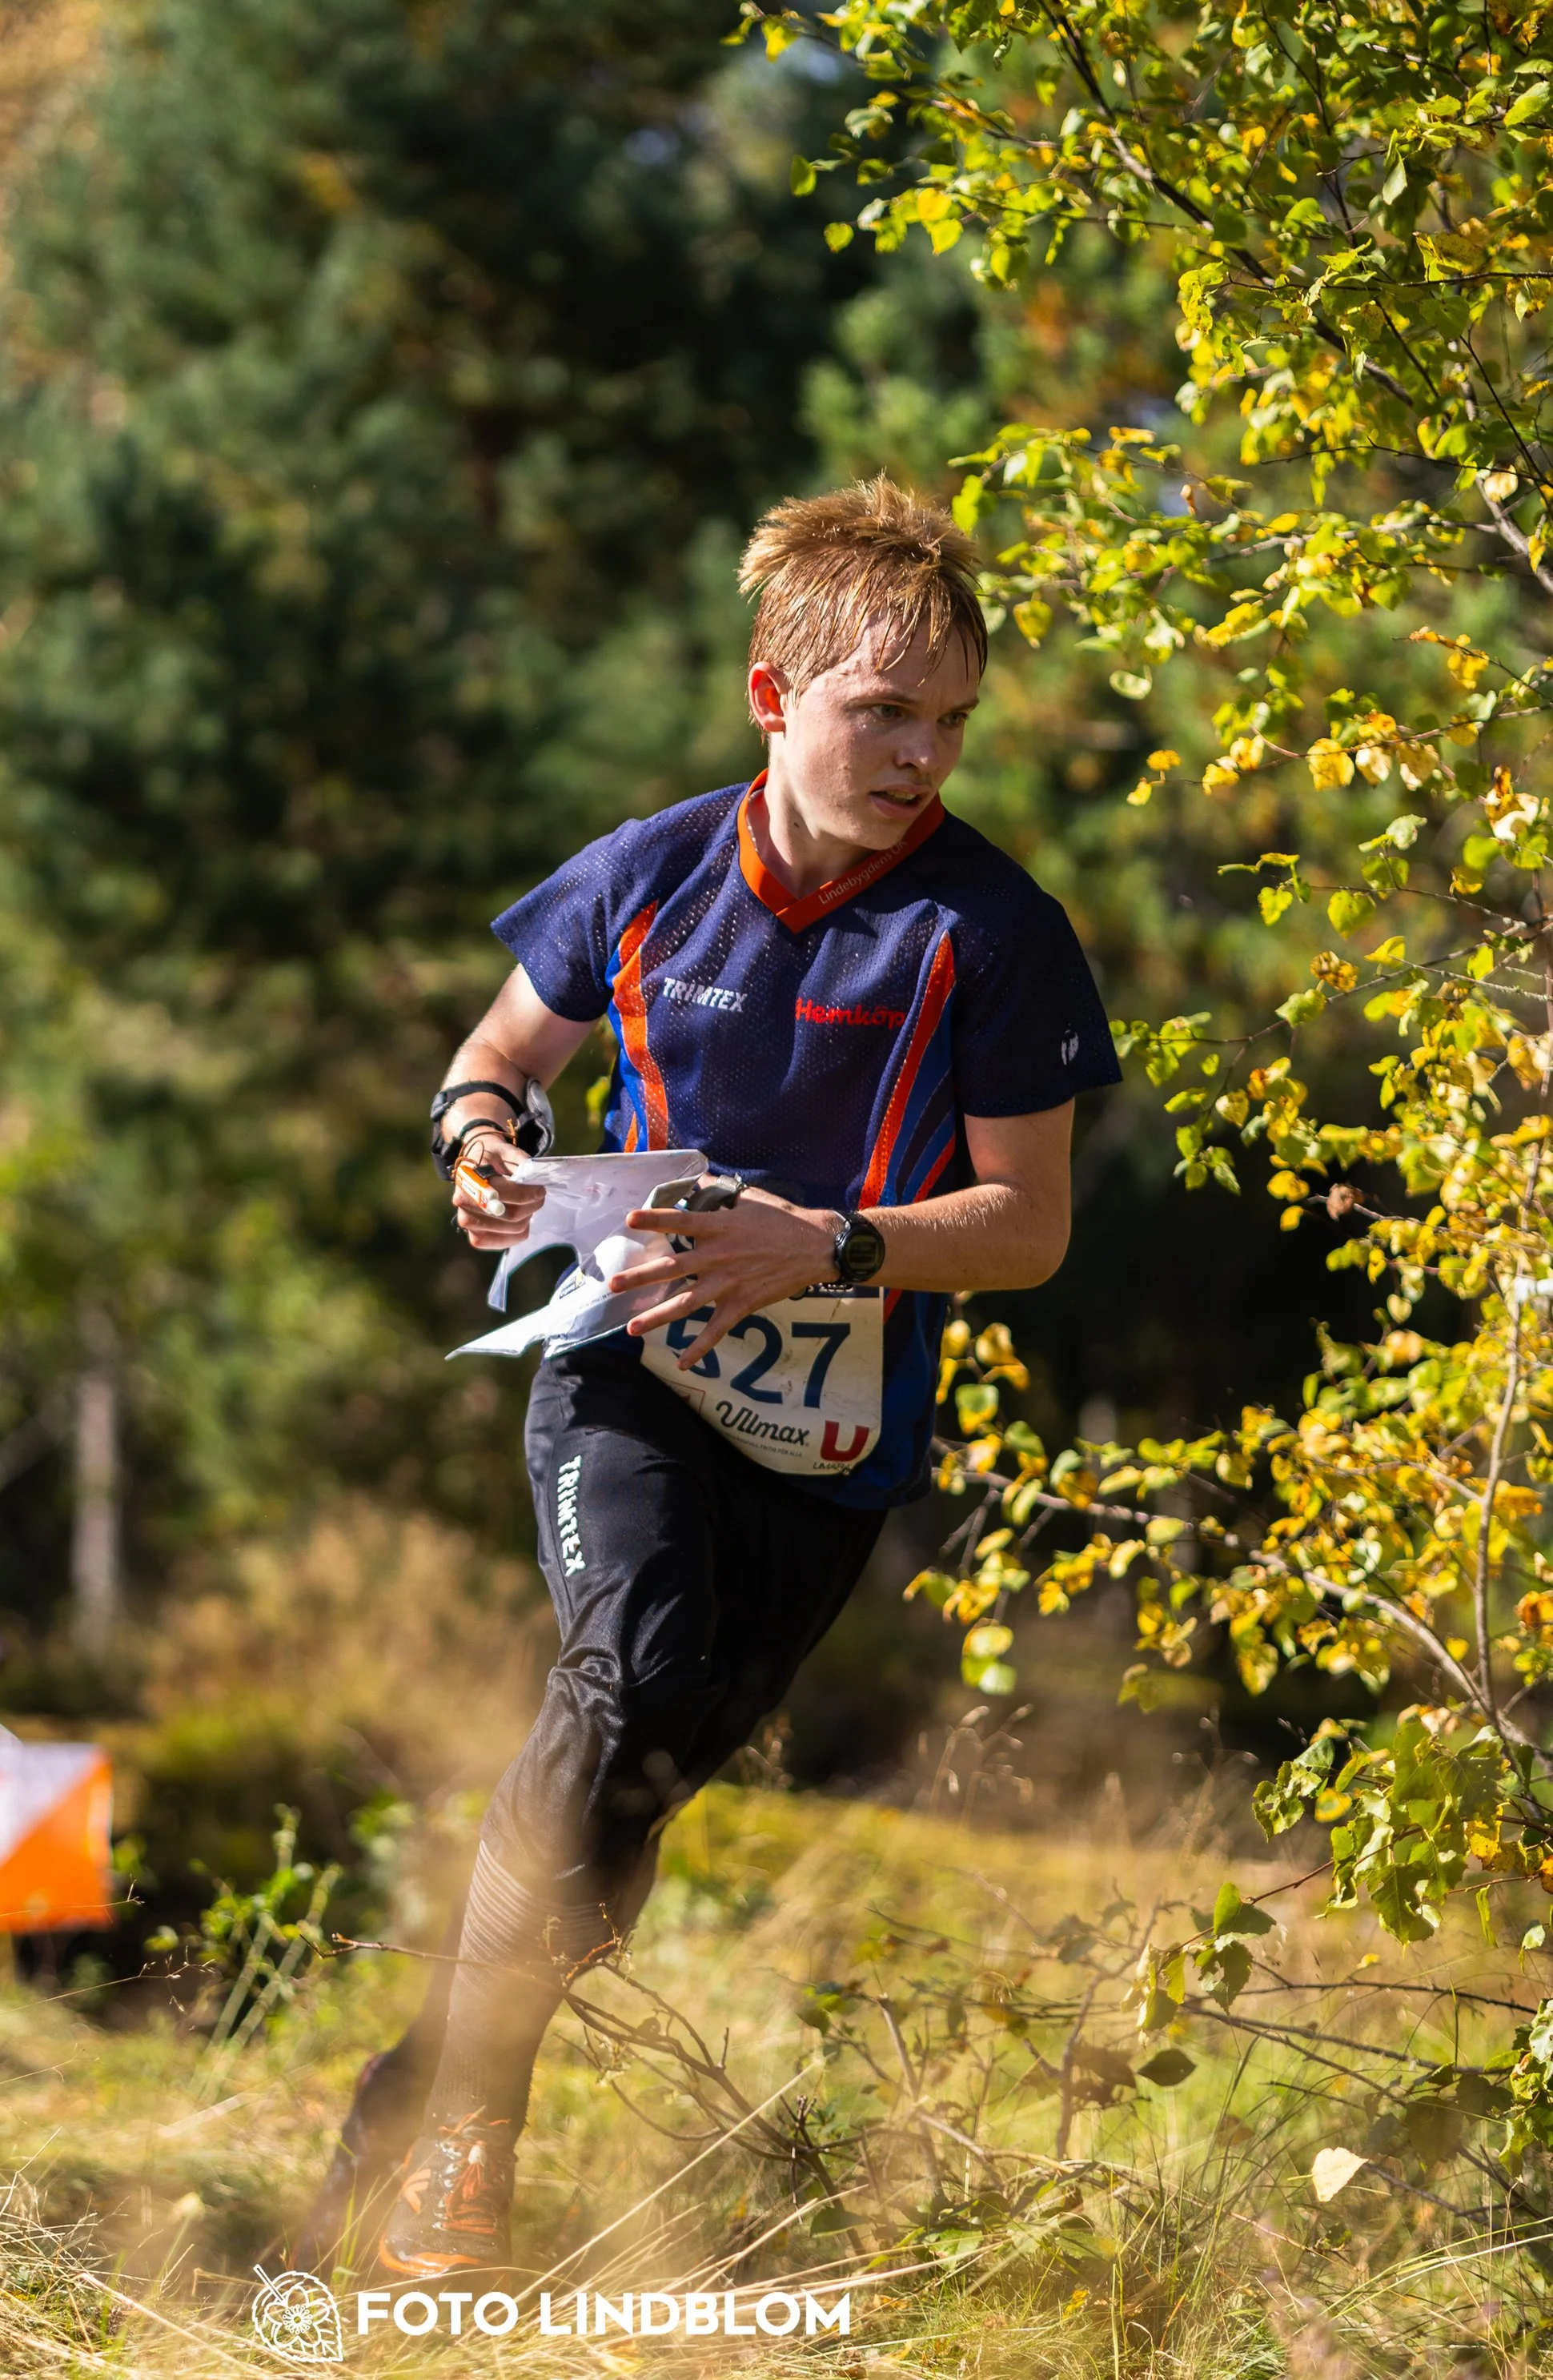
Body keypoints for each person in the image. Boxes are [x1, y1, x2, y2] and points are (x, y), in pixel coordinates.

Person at [290, 476, 1121, 2282]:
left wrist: (820, 1244)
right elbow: (491, 1056)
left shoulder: (991, 932)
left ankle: (413, 2087)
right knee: (622, 1678)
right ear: (773, 695)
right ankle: (463, 2162)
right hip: (623, 1364)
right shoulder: (652, 868)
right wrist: (480, 1145)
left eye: (949, 722)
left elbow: (1026, 1224)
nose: (919, 753)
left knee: (627, 1801)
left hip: (827, 1429)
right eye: (879, 712)